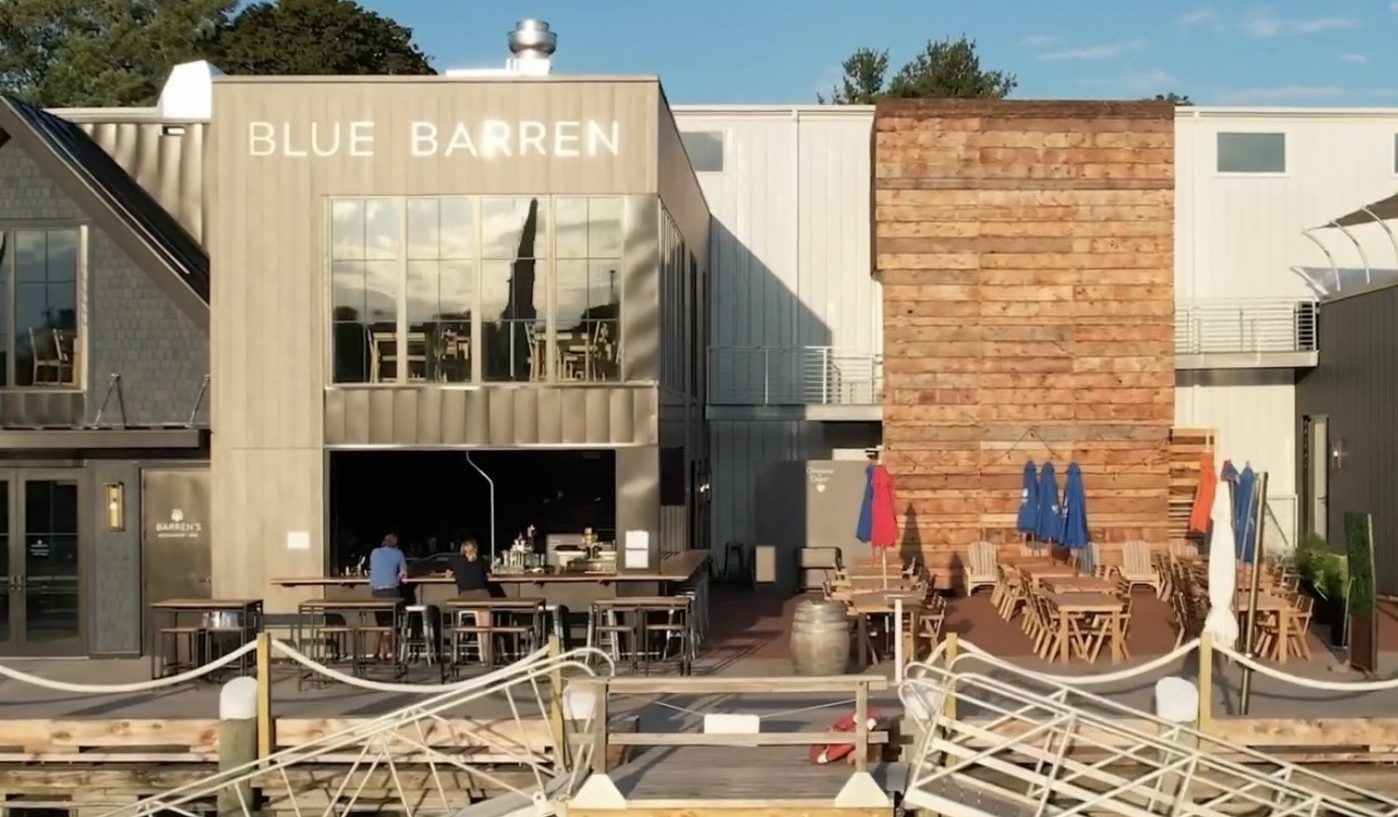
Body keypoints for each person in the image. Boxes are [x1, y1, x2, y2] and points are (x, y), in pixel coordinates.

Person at [367, 531, 408, 661]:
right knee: (391, 622)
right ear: (396, 544)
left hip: (376, 592)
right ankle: (389, 651)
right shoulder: (398, 553)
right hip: (391, 591)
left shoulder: (374, 552)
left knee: (381, 622)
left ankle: (379, 652)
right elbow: (403, 574)